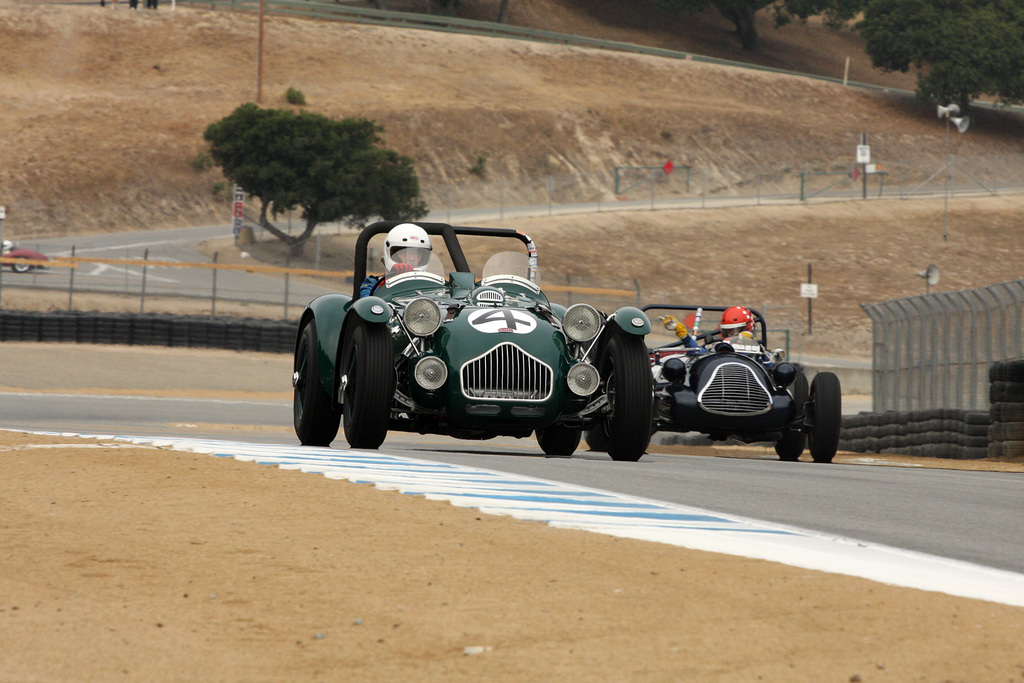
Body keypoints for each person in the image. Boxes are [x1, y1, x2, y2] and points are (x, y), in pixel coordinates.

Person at [358, 223, 432, 298]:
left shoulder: (430, 285)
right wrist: (388, 281)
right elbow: (367, 304)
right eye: (404, 253)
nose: (411, 258)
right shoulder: (372, 283)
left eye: (417, 254)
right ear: (392, 253)